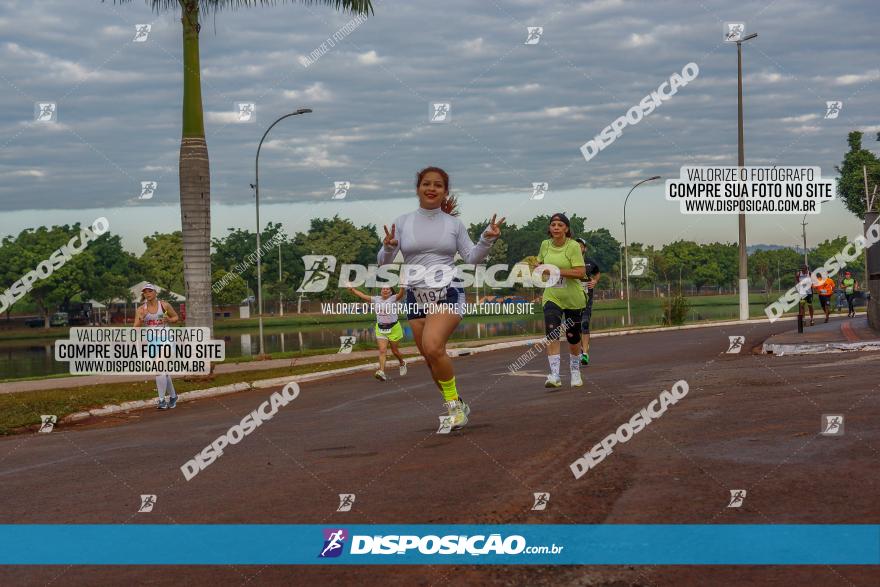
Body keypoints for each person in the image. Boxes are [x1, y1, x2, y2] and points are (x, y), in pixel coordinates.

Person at [378, 166, 504, 430]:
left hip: (447, 290)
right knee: (430, 358)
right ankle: (456, 401)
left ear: (445, 192)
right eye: (426, 184)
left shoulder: (453, 224)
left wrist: (486, 240)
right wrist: (389, 248)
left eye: (437, 185)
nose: (431, 188)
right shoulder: (403, 222)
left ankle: (454, 410)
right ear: (418, 189)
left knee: (434, 346)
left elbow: (471, 258)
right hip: (415, 294)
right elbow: (383, 262)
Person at [536, 213, 586, 388]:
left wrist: (555, 271)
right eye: (553, 224)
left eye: (560, 225)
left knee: (573, 336)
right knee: (552, 332)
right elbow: (541, 265)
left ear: (566, 228)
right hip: (552, 295)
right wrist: (539, 268)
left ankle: (575, 371)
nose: (556, 227)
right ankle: (555, 375)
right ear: (550, 228)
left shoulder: (573, 247)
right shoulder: (545, 245)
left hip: (573, 297)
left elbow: (580, 273)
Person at [133, 283, 180, 409]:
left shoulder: (164, 305)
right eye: (145, 292)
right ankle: (173, 396)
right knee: (163, 371)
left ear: (155, 293)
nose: (147, 294)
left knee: (159, 367)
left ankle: (161, 401)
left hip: (167, 340)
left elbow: (176, 317)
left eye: (150, 291)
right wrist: (141, 320)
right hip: (152, 341)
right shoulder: (141, 309)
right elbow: (135, 328)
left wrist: (169, 320)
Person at [347, 285, 408, 381]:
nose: (385, 290)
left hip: (394, 328)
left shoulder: (393, 298)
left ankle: (402, 363)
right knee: (382, 350)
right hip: (380, 328)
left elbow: (401, 293)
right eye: (383, 288)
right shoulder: (376, 299)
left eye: (387, 289)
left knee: (395, 351)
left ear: (390, 292)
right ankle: (382, 372)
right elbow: (363, 296)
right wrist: (353, 290)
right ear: (381, 291)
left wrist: (402, 286)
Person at [574, 237, 601, 366]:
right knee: (576, 326)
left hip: (586, 299)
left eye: (581, 246)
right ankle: (583, 346)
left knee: (584, 324)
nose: (579, 248)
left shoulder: (590, 263)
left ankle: (584, 353)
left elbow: (597, 273)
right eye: (576, 245)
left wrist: (595, 281)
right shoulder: (570, 263)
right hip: (572, 300)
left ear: (585, 248)